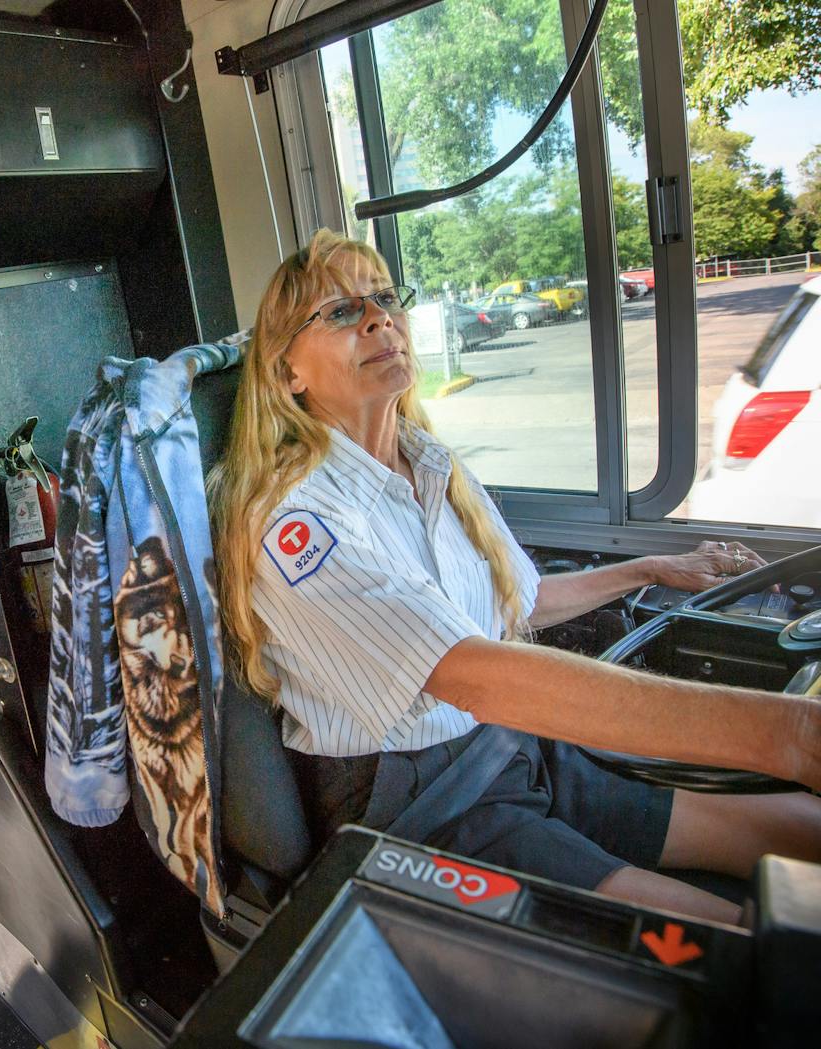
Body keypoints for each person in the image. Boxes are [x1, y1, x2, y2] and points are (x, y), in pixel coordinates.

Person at [210, 230, 820, 925]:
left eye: (384, 298)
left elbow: (514, 601)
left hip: (500, 741)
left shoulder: (429, 460)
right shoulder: (296, 522)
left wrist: (654, 566)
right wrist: (792, 736)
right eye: (343, 312)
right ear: (289, 372)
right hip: (417, 801)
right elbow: (470, 671)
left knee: (796, 822)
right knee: (730, 932)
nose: (380, 318)